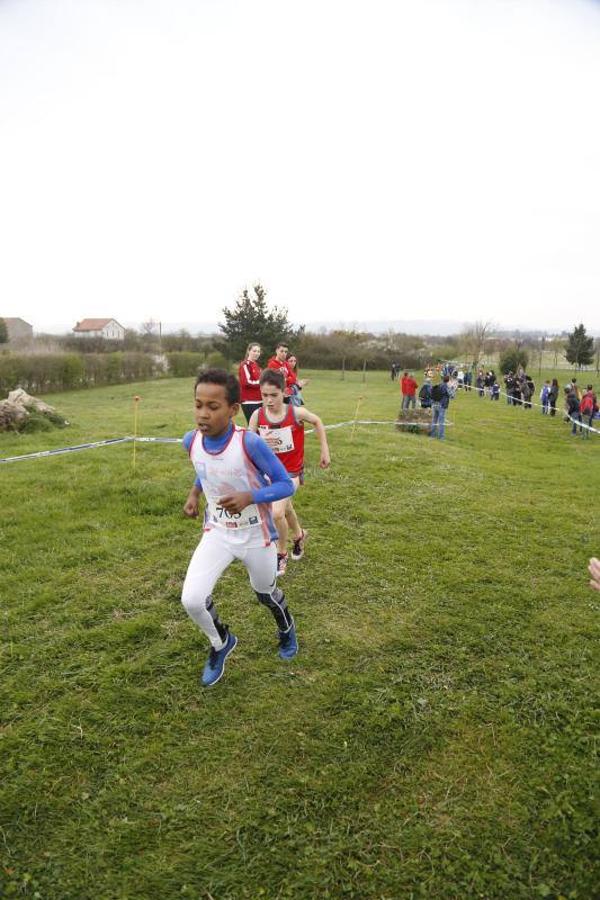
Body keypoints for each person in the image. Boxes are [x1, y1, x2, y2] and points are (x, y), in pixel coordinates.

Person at [181, 369, 298, 688]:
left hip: (255, 536)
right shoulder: (191, 441)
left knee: (265, 593)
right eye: (198, 405)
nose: (203, 414)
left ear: (233, 409)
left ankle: (286, 628)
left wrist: (252, 496)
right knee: (191, 599)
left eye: (213, 407)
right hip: (218, 533)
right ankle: (221, 642)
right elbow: (203, 470)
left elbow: (287, 485)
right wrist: (194, 494)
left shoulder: (249, 443)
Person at [249, 368, 331, 576]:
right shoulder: (257, 416)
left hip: (291, 474)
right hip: (270, 474)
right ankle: (300, 535)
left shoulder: (296, 413)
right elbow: (249, 443)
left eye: (273, 395)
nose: (268, 400)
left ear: (285, 392)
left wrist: (324, 450)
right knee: (285, 509)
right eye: (264, 395)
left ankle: (281, 553)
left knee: (277, 513)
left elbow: (318, 421)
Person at [238, 342, 262, 424]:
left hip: (260, 400)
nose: (256, 353)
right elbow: (246, 382)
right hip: (249, 402)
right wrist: (262, 383)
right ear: (248, 351)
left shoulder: (256, 365)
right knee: (253, 427)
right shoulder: (245, 365)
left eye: (258, 351)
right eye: (254, 351)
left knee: (261, 427)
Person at [429, 375, 451, 440]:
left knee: (434, 420)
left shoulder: (439, 385)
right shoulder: (445, 386)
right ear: (448, 381)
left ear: (443, 379)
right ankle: (441, 437)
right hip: (441, 405)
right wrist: (453, 387)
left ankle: (432, 435)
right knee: (441, 421)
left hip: (435, 404)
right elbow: (451, 395)